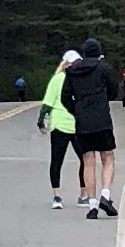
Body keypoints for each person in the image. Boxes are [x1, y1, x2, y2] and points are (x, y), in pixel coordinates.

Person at [60, 37, 121, 219]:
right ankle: (105, 195)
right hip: (101, 118)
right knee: (107, 157)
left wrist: (77, 110)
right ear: (99, 52)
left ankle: (92, 205)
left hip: (83, 121)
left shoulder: (72, 71)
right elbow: (113, 91)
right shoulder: (103, 68)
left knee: (88, 161)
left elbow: (65, 97)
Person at [40, 51, 77, 203]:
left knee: (85, 160)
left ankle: (83, 194)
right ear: (66, 64)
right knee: (57, 160)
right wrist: (42, 120)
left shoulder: (79, 79)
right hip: (60, 124)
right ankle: (57, 195)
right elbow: (48, 102)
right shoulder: (57, 79)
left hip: (77, 125)